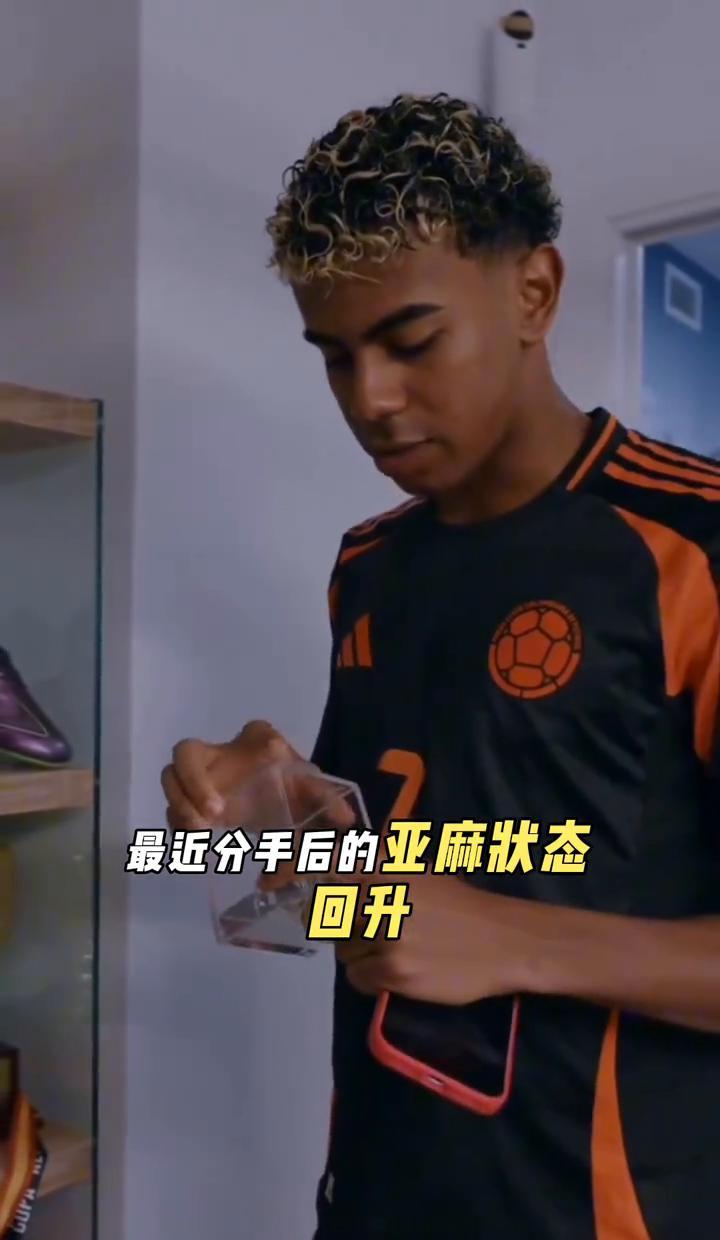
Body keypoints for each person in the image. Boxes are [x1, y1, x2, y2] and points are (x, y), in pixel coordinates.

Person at [161, 93, 720, 1239]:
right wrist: (276, 809)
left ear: (534, 293)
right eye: (337, 359)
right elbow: (373, 894)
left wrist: (515, 937)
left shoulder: (691, 550)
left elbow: (471, 921)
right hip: (373, 1199)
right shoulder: (367, 567)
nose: (372, 400)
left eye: (411, 343)